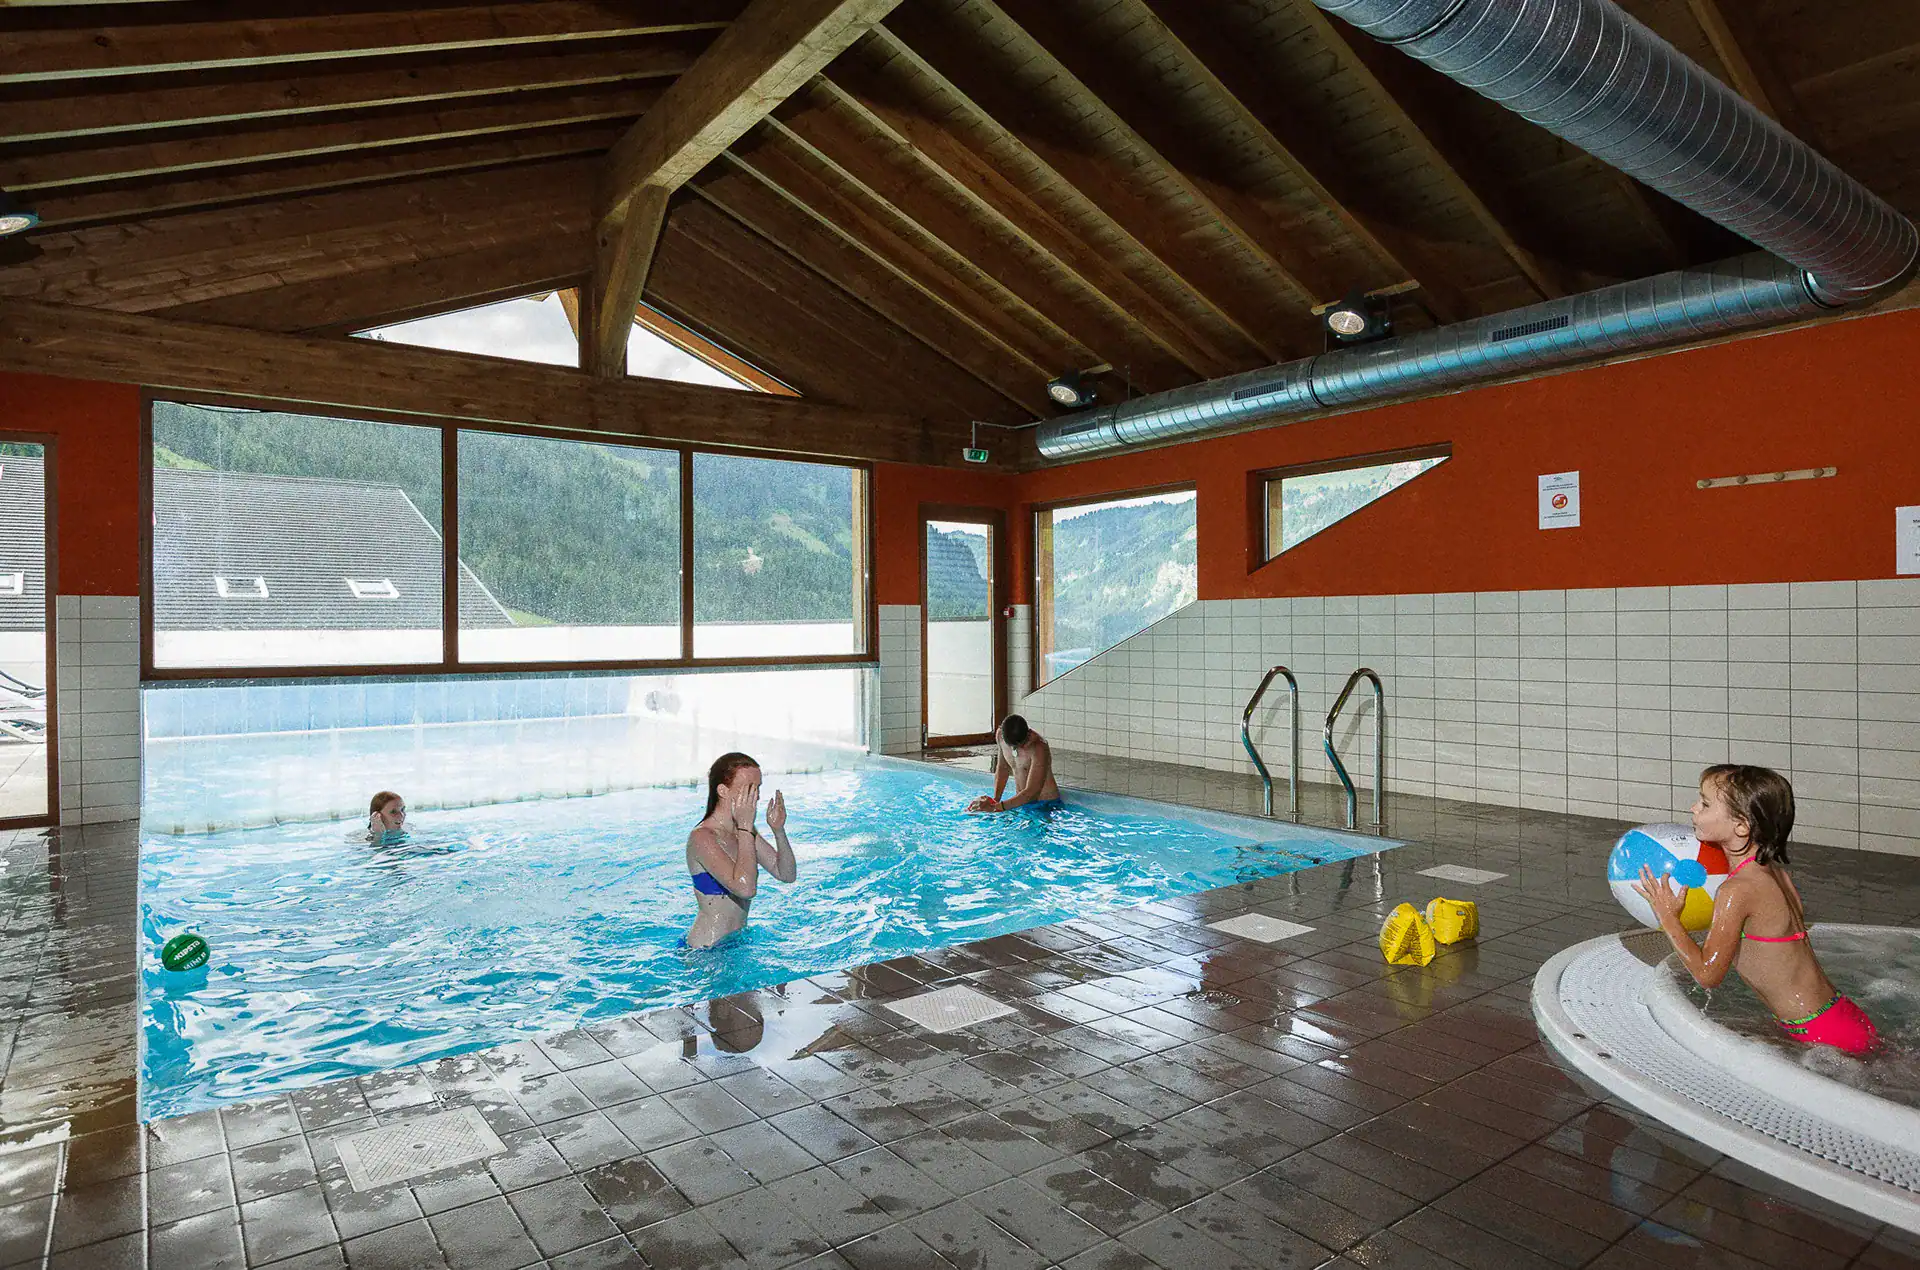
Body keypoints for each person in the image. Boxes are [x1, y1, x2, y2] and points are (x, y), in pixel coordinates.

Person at [1634, 764, 1878, 1056]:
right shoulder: (1773, 873)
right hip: (1839, 1015)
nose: (1694, 808)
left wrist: (1667, 916)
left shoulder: (1737, 891)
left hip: (1819, 1032)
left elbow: (1708, 974)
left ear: (1741, 826)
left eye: (1705, 804)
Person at [683, 752, 797, 950]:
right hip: (706, 950)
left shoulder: (744, 831)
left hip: (737, 942)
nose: (757, 796)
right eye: (749, 789)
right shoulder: (702, 837)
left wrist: (778, 831)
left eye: (758, 788)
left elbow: (786, 874)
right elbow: (746, 889)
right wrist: (745, 826)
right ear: (723, 791)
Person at [966, 714, 1061, 814]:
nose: (1019, 748)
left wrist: (996, 807)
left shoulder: (1039, 747)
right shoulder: (1000, 735)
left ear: (1028, 734)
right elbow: (1003, 768)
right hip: (1020, 802)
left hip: (1045, 804)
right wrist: (995, 800)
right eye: (1014, 746)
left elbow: (1032, 792)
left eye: (1022, 744)